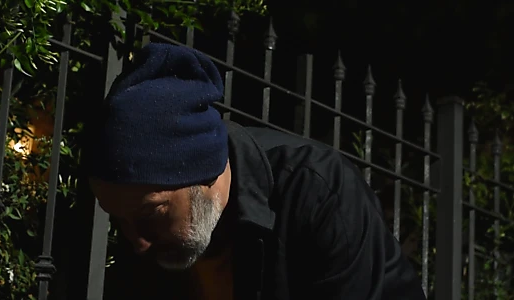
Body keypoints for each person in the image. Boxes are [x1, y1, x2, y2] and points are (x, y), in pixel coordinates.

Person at [83, 42, 427, 300]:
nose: (137, 242)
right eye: (119, 220)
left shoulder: (318, 193)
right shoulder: (159, 244)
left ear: (205, 173)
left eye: (151, 212)